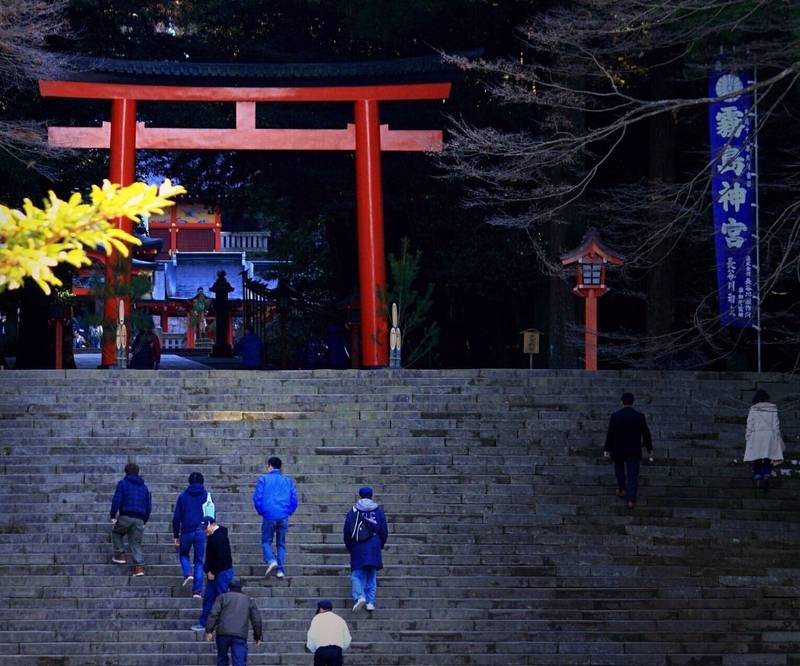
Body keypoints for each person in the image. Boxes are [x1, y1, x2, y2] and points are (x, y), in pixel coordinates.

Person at [604, 392, 653, 510]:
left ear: (622, 402)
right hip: (633, 449)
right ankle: (631, 500)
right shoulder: (639, 416)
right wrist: (649, 449)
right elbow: (646, 434)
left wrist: (607, 449)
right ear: (633, 402)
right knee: (632, 476)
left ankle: (621, 489)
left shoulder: (615, 416)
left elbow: (610, 433)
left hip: (618, 449)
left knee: (619, 470)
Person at [343, 486, 388, 612]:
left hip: (358, 545)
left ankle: (359, 596)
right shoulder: (378, 511)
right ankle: (370, 602)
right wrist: (380, 544)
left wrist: (349, 546)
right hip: (374, 546)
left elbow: (347, 530)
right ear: (372, 495)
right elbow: (384, 531)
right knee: (371, 575)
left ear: (360, 496)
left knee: (357, 574)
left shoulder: (353, 511)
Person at [252, 456, 299, 579]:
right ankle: (280, 570)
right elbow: (294, 499)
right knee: (281, 544)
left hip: (269, 515)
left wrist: (262, 511)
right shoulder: (287, 481)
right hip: (283, 515)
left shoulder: (263, 479)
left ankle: (271, 560)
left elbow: (258, 498)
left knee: (266, 541)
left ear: (270, 466)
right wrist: (288, 511)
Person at [204, 578, 262, 666]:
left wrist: (209, 631)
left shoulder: (222, 597)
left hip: (222, 633)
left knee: (222, 659)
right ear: (241, 588)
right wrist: (257, 636)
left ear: (229, 588)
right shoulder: (249, 600)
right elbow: (256, 620)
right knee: (239, 662)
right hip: (240, 635)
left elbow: (213, 614)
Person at [192, 516, 235, 632]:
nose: (204, 530)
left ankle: (227, 623)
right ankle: (204, 622)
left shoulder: (219, 537)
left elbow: (222, 558)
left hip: (222, 572)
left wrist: (212, 571)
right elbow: (210, 556)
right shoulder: (212, 535)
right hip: (215, 572)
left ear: (212, 524)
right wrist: (208, 570)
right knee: (209, 598)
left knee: (222, 598)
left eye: (206, 528)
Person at [110, 462, 152, 576]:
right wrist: (144, 520)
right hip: (139, 519)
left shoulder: (123, 483)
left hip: (125, 516)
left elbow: (117, 500)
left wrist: (113, 515)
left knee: (116, 533)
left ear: (126, 472)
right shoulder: (144, 488)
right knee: (136, 543)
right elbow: (148, 506)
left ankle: (120, 555)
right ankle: (139, 568)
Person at [172, 471, 209, 598]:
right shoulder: (206, 495)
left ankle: (188, 573)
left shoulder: (183, 496)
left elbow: (176, 518)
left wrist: (176, 535)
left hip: (187, 530)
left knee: (183, 554)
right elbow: (211, 514)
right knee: (199, 561)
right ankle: (197, 591)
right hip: (201, 530)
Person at [744, 388, 785, 490]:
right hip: (769, 435)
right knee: (768, 457)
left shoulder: (753, 409)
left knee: (757, 457)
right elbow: (776, 425)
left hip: (756, 435)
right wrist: (776, 437)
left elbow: (750, 424)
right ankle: (766, 474)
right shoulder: (773, 408)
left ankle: (757, 475)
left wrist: (748, 436)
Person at [306, 599, 351, 666]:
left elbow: (311, 636)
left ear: (321, 609)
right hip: (336, 651)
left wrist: (314, 650)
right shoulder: (340, 619)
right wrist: (340, 649)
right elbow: (347, 638)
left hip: (321, 651)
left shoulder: (316, 619)